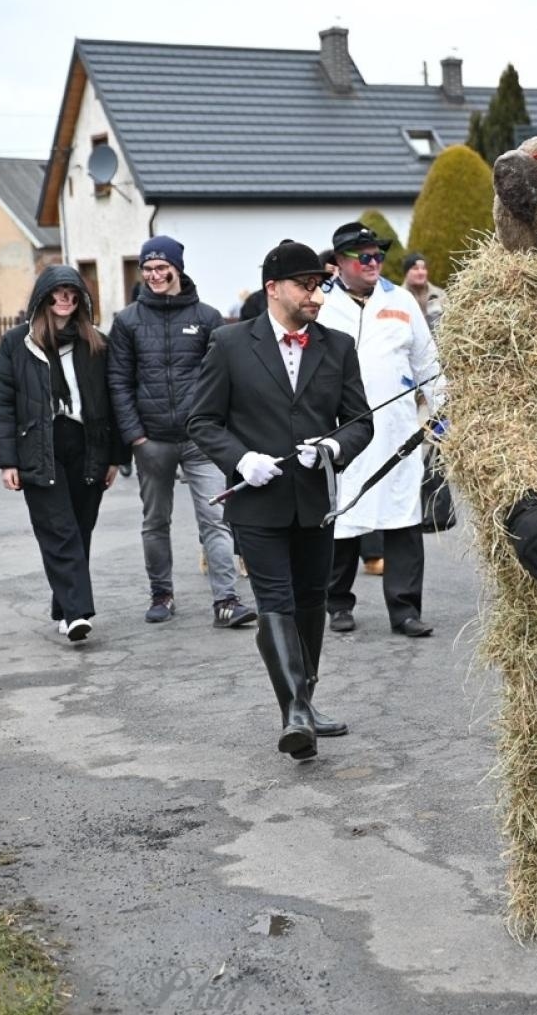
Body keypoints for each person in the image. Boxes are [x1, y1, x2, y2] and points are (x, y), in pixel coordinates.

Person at [188, 240, 373, 759]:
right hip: (257, 502)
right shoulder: (229, 344)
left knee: (312, 601)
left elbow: (361, 424)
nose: (315, 295)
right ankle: (293, 710)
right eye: (305, 285)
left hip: (314, 500)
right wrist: (241, 459)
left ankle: (305, 702)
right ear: (273, 288)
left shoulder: (337, 346)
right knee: (276, 602)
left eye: (320, 285)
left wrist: (332, 447)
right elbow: (202, 420)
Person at [107, 235, 255, 628]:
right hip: (151, 440)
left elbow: (224, 377)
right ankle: (162, 594)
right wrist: (135, 436)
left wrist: (220, 428)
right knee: (156, 521)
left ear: (177, 268)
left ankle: (226, 601)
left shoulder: (206, 318)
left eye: (162, 267)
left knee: (216, 518)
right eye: (148, 269)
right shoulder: (127, 321)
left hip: (201, 440)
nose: (155, 275)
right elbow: (119, 381)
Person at [0, 267, 128, 642]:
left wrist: (115, 456)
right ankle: (78, 613)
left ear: (81, 299)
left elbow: (114, 402)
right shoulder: (18, 344)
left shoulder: (96, 343)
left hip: (88, 444)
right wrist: (6, 462)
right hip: (39, 444)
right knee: (59, 530)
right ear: (43, 298)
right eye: (57, 293)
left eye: (72, 293)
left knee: (80, 529)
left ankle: (64, 607)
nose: (65, 299)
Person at [320, 222, 443, 637]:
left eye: (377, 256)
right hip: (341, 430)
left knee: (403, 518)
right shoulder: (321, 303)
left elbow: (428, 363)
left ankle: (405, 610)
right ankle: (337, 602)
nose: (374, 263)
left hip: (397, 431)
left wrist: (443, 414)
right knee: (343, 518)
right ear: (339, 263)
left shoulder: (401, 300)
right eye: (364, 257)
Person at [399, 252, 446, 332]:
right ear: (406, 273)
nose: (421, 272)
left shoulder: (440, 295)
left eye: (423, 268)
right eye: (415, 268)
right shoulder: (398, 297)